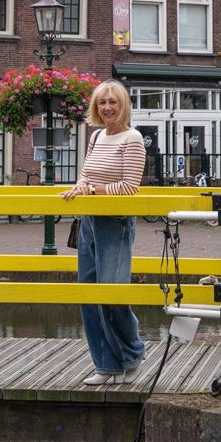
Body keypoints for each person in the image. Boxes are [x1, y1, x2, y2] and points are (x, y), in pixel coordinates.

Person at [61, 81, 147, 385]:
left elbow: (129, 188)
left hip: (116, 221)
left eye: (112, 102)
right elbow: (86, 172)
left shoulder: (133, 138)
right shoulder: (96, 136)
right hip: (89, 220)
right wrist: (81, 185)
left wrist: (93, 189)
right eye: (101, 103)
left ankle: (132, 353)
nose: (107, 108)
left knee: (111, 292)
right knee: (89, 293)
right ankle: (106, 364)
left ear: (122, 105)